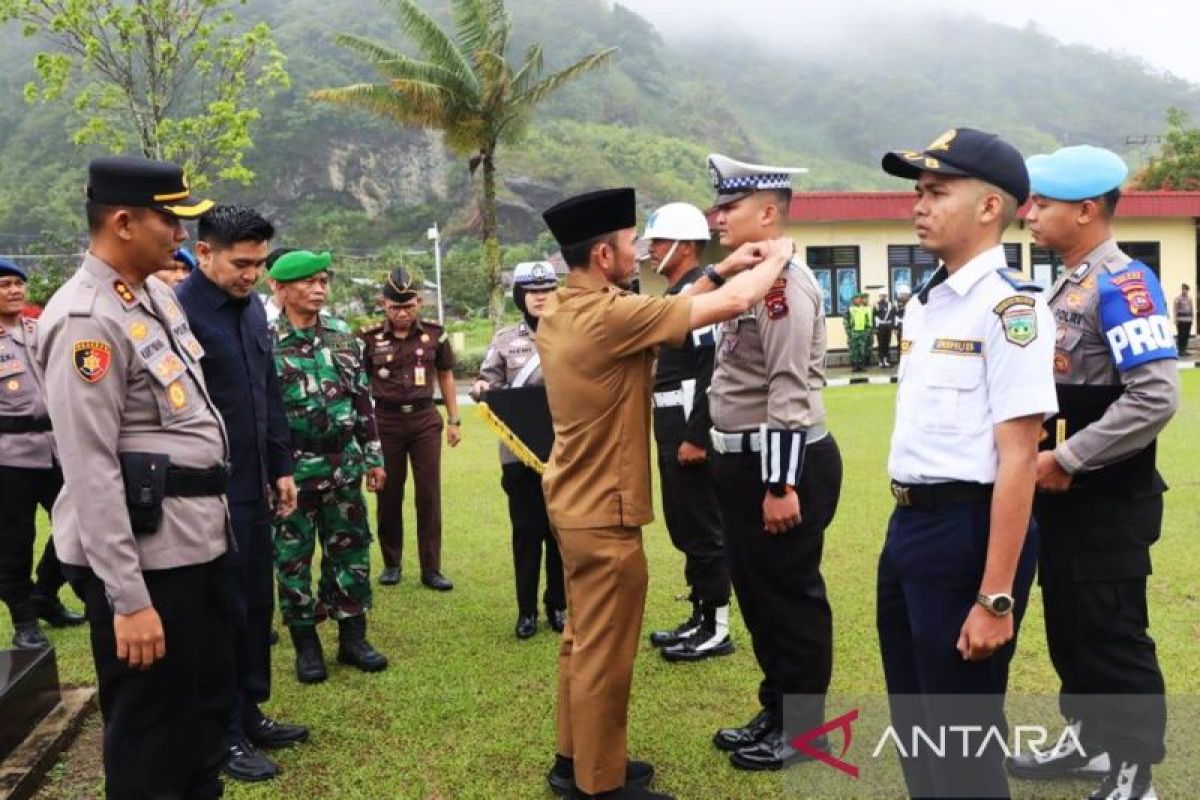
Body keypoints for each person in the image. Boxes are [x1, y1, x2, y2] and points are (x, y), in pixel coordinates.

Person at [537, 187, 798, 800]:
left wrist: (718, 266)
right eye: (631, 244)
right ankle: (597, 783)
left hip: (573, 503)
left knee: (581, 641)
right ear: (604, 255)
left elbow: (673, 305)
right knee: (605, 652)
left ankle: (573, 758)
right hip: (604, 511)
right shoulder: (610, 316)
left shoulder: (566, 309)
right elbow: (731, 302)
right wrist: (777, 255)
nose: (639, 254)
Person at [37, 155, 235, 799]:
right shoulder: (85, 320)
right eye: (170, 221)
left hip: (194, 545)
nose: (180, 235)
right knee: (151, 738)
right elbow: (89, 469)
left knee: (202, 718)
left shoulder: (151, 294)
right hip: (147, 566)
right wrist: (129, 599)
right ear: (124, 222)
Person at [876, 128, 1057, 798]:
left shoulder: (1010, 309)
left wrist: (995, 596)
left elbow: (1018, 459)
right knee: (916, 725)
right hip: (910, 528)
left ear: (989, 208)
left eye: (935, 192)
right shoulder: (929, 303)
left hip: (969, 533)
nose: (918, 206)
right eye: (918, 192)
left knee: (961, 742)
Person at [1007, 145, 1179, 800]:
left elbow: (1155, 397)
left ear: (1085, 210)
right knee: (1072, 630)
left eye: (1042, 204)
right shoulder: (1065, 280)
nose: (1029, 214)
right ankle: (1089, 741)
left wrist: (1069, 458)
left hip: (1106, 499)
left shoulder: (1123, 283)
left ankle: (1133, 774)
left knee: (1111, 636)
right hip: (1064, 502)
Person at [700, 154, 844, 772]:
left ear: (766, 212)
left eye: (729, 206)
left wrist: (780, 483)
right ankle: (778, 707)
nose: (718, 216)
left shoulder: (784, 287)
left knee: (790, 599)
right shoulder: (749, 280)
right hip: (742, 464)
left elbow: (789, 387)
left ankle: (805, 729)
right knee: (757, 596)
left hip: (780, 464)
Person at [176, 205, 307, 783]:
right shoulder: (179, 312)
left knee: (256, 604)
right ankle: (222, 732)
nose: (251, 274)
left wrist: (281, 465)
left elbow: (268, 391)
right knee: (221, 612)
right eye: (240, 263)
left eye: (258, 264)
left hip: (256, 483)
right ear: (203, 253)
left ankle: (250, 710)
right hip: (208, 493)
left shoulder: (254, 309)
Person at [270, 250, 388, 682]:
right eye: (308, 281)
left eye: (323, 280)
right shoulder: (266, 342)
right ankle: (307, 646)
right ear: (279, 288)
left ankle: (353, 639)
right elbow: (261, 417)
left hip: (343, 465)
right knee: (293, 558)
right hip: (293, 471)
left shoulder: (344, 338)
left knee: (350, 551)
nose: (319, 288)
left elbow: (363, 403)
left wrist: (373, 456)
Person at [640, 202, 733, 663]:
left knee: (703, 527)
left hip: (688, 423)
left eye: (658, 240)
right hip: (668, 420)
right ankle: (700, 612)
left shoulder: (696, 299)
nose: (651, 249)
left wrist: (697, 434)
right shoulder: (677, 294)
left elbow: (710, 367)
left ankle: (717, 626)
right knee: (684, 525)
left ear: (684, 245)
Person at [470, 261, 566, 639]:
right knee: (526, 531)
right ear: (520, 296)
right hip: (518, 453)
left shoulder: (573, 333)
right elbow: (488, 377)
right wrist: (481, 387)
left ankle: (558, 604)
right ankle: (526, 610)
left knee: (561, 531)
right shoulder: (505, 338)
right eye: (532, 290)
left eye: (547, 288)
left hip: (565, 451)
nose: (541, 296)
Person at [0, 258, 84, 651]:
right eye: (5, 284)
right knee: (14, 540)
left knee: (80, 521)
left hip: (56, 448)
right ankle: (23, 618)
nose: (15, 290)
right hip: (9, 457)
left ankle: (46, 591)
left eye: (18, 283)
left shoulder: (40, 329)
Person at [360, 270, 459, 591]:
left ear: (418, 302)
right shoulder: (369, 338)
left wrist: (454, 420)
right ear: (383, 305)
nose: (402, 313)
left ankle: (432, 568)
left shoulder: (435, 335)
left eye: (408, 306)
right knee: (389, 493)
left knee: (428, 495)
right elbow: (360, 385)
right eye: (394, 307)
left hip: (424, 421)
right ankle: (392, 563)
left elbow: (445, 376)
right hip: (385, 422)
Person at [844, 291, 874, 371]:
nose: (859, 300)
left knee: (862, 349)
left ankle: (862, 365)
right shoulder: (850, 309)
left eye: (860, 298)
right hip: (854, 332)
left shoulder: (863, 308)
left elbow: (868, 320)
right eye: (857, 298)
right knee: (854, 350)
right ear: (853, 300)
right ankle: (854, 366)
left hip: (863, 332)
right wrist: (849, 332)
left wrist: (867, 330)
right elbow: (846, 321)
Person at [874, 291, 897, 368]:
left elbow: (893, 316)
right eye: (881, 295)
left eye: (884, 295)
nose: (883, 297)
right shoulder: (876, 305)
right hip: (880, 327)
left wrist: (893, 327)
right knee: (880, 344)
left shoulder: (890, 305)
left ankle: (886, 360)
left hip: (888, 327)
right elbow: (873, 317)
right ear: (879, 296)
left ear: (886, 296)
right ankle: (881, 361)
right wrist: (875, 328)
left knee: (887, 344)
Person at [1172, 282, 1192, 354]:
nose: (1184, 291)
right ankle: (1180, 350)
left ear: (1188, 290)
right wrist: (1175, 319)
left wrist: (1192, 319)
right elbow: (1175, 309)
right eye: (1183, 289)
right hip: (1181, 320)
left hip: (1188, 320)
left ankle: (1184, 349)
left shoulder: (1189, 299)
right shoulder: (1178, 299)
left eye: (1186, 289)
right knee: (1181, 335)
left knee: (1187, 335)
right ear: (1182, 290)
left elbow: (1191, 309)